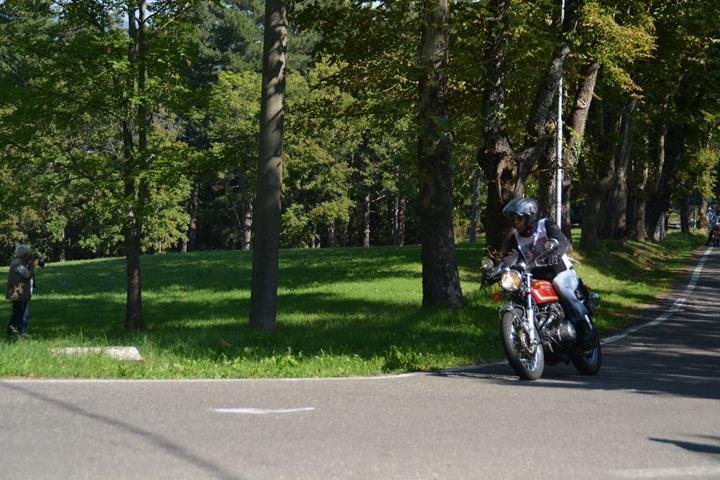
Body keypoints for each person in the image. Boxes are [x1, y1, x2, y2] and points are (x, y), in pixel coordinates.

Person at [498, 197, 593, 349]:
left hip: (561, 272)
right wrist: (499, 269)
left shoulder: (546, 225)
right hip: (537, 277)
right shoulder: (516, 238)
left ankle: (583, 325)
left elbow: (562, 242)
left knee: (559, 283)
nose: (515, 223)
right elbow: (510, 257)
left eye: (519, 218)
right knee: (520, 292)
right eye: (514, 219)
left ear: (530, 216)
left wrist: (555, 254)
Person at [5, 244, 36, 338]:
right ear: (23, 254)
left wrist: (30, 264)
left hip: (18, 293)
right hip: (19, 294)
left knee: (17, 313)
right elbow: (27, 275)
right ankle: (22, 333)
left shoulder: (18, 262)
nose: (29, 254)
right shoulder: (18, 264)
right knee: (23, 314)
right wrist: (32, 266)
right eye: (27, 252)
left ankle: (11, 330)